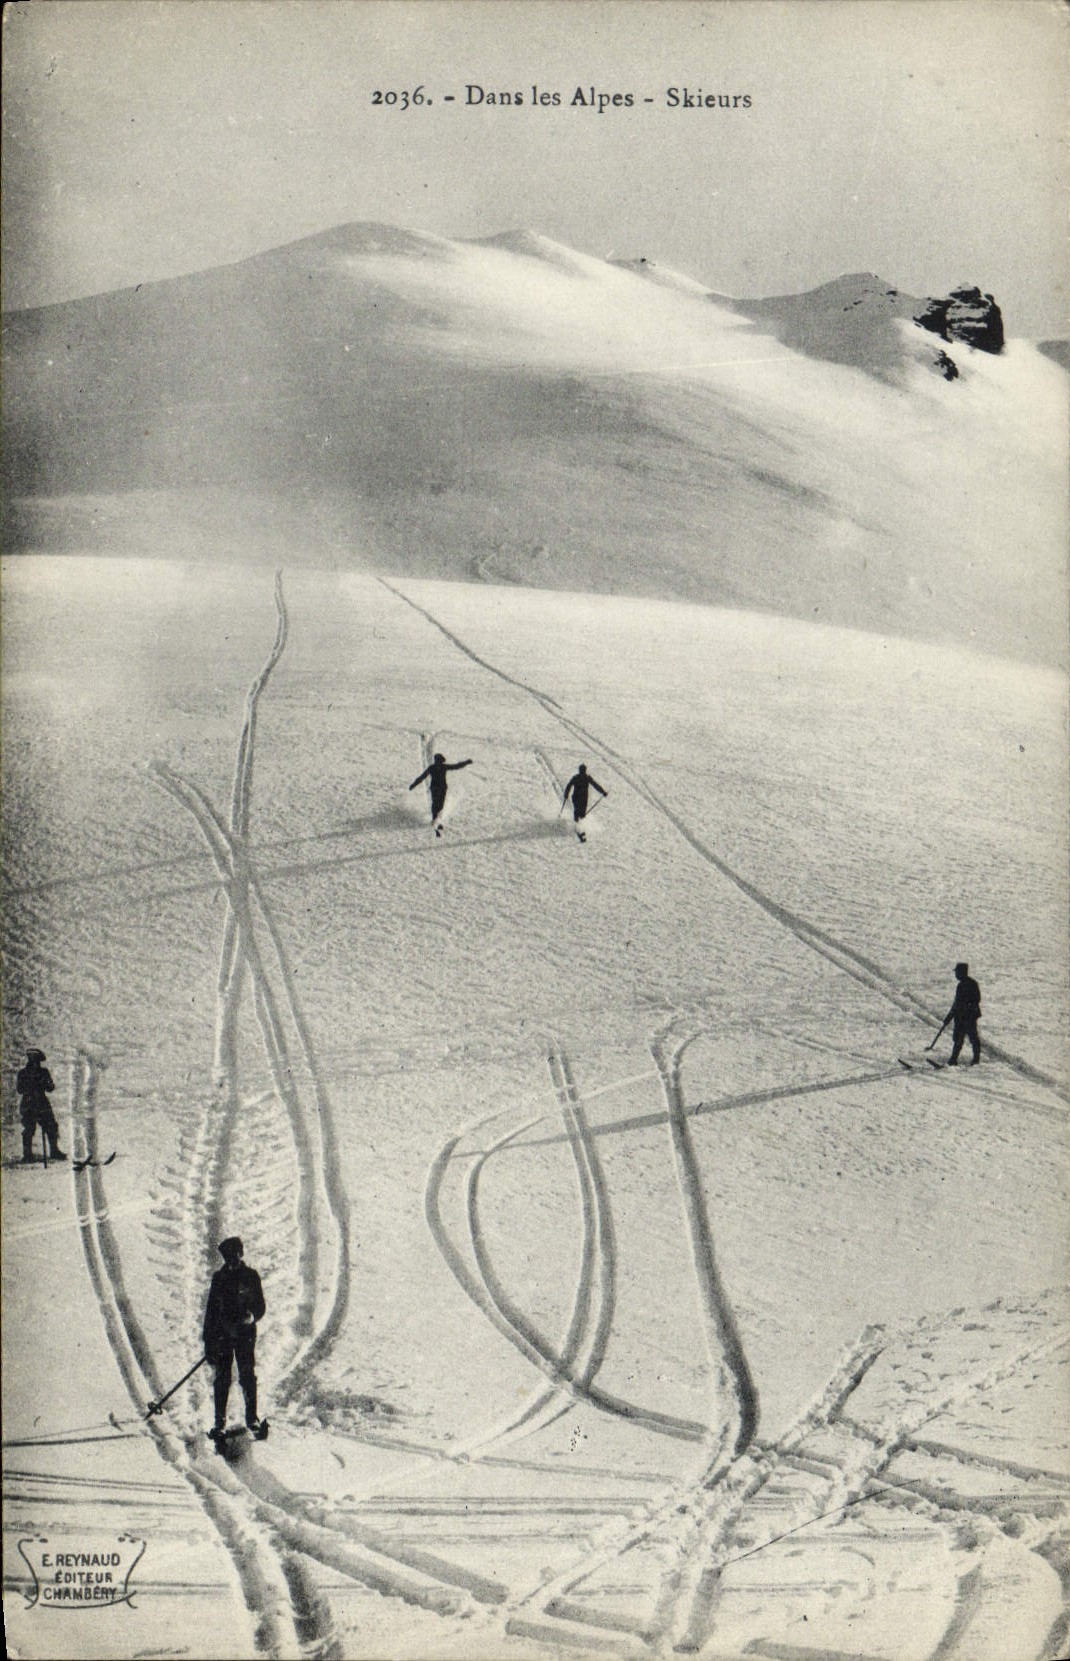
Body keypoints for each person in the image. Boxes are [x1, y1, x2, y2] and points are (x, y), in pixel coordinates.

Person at [203, 1237, 266, 1444]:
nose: (232, 1260)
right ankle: (219, 1423)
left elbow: (260, 1307)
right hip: (223, 1336)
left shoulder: (251, 1277)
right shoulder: (219, 1278)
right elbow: (211, 1312)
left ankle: (252, 1419)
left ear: (241, 1254)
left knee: (247, 1375)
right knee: (222, 1378)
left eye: (235, 1255)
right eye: (228, 1257)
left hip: (245, 1336)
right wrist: (209, 1342)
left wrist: (251, 1316)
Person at [17, 1048, 65, 1162]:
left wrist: (44, 1083)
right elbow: (19, 1089)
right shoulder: (23, 1073)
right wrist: (31, 1085)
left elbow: (51, 1088)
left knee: (51, 1126)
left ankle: (54, 1150)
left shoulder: (44, 1072)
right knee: (29, 1128)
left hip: (41, 1102)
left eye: (36, 1060)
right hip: (29, 1103)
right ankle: (27, 1155)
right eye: (33, 1059)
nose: (35, 1062)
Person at [409, 752, 473, 836]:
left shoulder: (433, 767)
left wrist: (414, 784)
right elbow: (456, 766)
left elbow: (422, 777)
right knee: (438, 805)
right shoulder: (442, 767)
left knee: (437, 804)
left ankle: (436, 820)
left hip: (437, 788)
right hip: (441, 788)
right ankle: (436, 821)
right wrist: (466, 762)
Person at [940, 962, 982, 1066]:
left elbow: (976, 999)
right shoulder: (962, 985)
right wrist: (949, 1017)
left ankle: (975, 1059)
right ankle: (953, 1059)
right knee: (958, 1037)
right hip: (961, 1015)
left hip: (969, 1016)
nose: (956, 975)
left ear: (962, 972)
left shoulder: (970, 984)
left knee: (972, 1037)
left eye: (957, 972)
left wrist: (966, 1008)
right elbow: (956, 1003)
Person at [562, 764, 607, 842]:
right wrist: (603, 792)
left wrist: (566, 794)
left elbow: (569, 785)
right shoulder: (586, 778)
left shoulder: (577, 777)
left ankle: (578, 828)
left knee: (581, 814)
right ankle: (579, 830)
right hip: (580, 799)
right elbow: (595, 785)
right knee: (579, 813)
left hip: (579, 799)